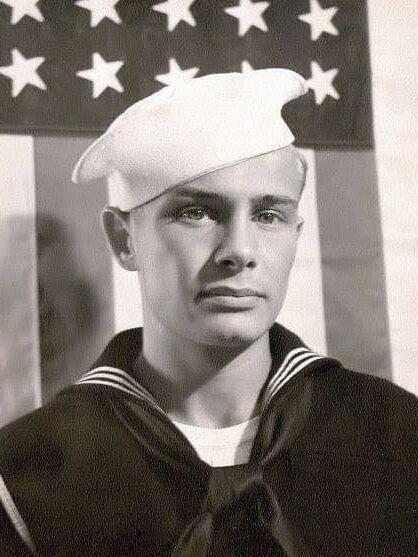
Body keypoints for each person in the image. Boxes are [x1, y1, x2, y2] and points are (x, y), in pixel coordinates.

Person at [0, 69, 417, 557]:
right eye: (196, 212)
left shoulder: (396, 435)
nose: (239, 250)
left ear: (295, 234)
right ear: (124, 239)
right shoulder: (24, 475)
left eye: (268, 215)